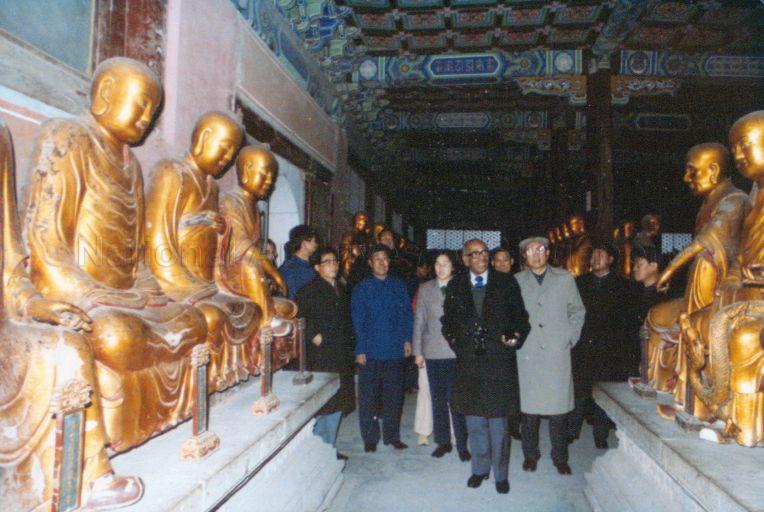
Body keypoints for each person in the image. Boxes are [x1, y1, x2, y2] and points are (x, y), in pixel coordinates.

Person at [442, 239, 530, 494]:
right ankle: (479, 470)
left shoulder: (505, 282)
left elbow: (521, 319)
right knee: (475, 421)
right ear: (465, 258)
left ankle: (501, 475)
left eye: (484, 252)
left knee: (498, 424)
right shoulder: (456, 285)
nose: (481, 257)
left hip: (498, 362)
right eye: (475, 253)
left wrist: (513, 336)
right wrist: (457, 343)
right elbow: (447, 322)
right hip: (469, 364)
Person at [515, 236, 585, 475]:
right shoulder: (516, 281)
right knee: (529, 411)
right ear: (524, 255)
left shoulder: (564, 278)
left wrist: (570, 337)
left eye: (540, 249)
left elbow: (577, 310)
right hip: (528, 352)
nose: (536, 254)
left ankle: (560, 457)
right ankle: (530, 455)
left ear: (547, 252)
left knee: (558, 411)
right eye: (530, 250)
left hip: (557, 352)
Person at [295, 247, 356, 460]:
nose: (333, 265)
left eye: (335, 261)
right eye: (327, 261)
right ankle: (319, 451)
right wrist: (314, 335)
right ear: (317, 267)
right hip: (322, 356)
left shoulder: (341, 288)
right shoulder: (308, 290)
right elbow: (300, 318)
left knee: (339, 402)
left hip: (341, 354)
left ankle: (328, 448)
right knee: (325, 405)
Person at [352, 244, 414, 452]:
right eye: (377, 258)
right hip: (369, 352)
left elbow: (407, 315)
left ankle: (392, 436)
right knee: (368, 398)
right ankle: (370, 438)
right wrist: (359, 349)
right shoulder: (362, 288)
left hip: (394, 350)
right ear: (370, 263)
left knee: (394, 396)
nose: (382, 262)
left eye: (385, 258)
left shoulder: (398, 285)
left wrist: (407, 339)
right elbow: (357, 321)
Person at [569, 242, 629, 449]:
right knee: (579, 390)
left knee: (604, 393)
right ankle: (572, 429)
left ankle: (600, 435)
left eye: (600, 255)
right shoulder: (579, 283)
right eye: (593, 255)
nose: (595, 259)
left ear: (610, 259)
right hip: (583, 345)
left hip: (608, 348)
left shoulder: (622, 286)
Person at [413, 251, 470, 461]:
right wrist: (418, 352)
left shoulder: (463, 287)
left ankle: (462, 444)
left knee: (457, 400)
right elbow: (419, 322)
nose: (440, 268)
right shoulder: (425, 289)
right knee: (437, 400)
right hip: (433, 352)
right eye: (437, 264)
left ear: (453, 267)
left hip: (456, 353)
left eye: (445, 264)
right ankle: (443, 442)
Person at [279, 225, 319, 299]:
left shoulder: (314, 265)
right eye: (314, 240)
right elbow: (291, 298)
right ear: (304, 242)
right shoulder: (290, 268)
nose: (316, 243)